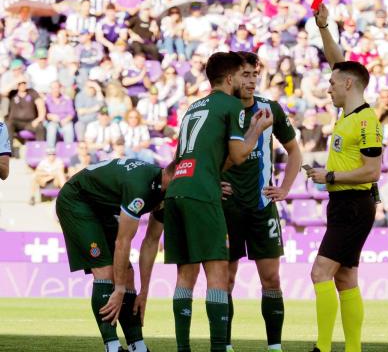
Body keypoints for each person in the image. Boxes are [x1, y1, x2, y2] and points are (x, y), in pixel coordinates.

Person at [163, 52, 273, 352]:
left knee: (185, 275)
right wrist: (257, 129)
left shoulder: (192, 108)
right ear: (229, 78)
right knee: (217, 272)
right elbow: (238, 155)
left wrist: (211, 175)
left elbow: (191, 157)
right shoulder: (231, 104)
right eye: (241, 75)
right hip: (202, 194)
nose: (244, 81)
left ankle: (183, 348)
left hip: (177, 191)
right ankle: (218, 347)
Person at [305, 4, 383, 352]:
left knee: (320, 273)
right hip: (345, 203)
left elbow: (372, 171)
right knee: (345, 277)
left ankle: (322, 347)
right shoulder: (348, 113)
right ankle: (353, 349)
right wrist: (323, 27)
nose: (328, 87)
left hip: (353, 204)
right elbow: (339, 62)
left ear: (348, 85)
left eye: (333, 83)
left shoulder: (367, 121)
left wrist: (329, 174)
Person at [223, 52, 302, 352]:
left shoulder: (271, 109)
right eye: (245, 74)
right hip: (227, 208)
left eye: (255, 74)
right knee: (225, 281)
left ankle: (274, 347)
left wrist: (284, 188)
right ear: (231, 77)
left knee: (271, 279)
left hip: (261, 207)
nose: (252, 80)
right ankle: (226, 345)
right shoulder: (222, 109)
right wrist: (213, 181)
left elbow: (295, 152)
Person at [56, 158, 176, 352]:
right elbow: (123, 241)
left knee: (128, 276)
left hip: (102, 209)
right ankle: (112, 347)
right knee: (105, 272)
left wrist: (144, 291)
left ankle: (137, 346)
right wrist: (118, 289)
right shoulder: (141, 187)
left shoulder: (168, 193)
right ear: (171, 176)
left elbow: (151, 242)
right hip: (77, 201)